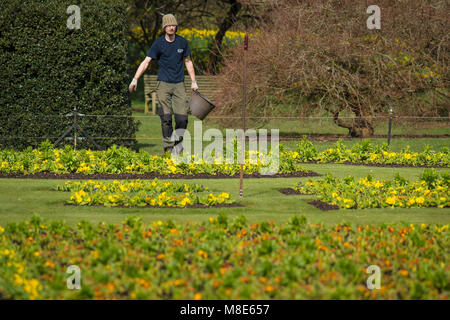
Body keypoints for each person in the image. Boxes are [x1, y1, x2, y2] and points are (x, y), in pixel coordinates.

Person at [129, 14, 198, 154]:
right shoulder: (158, 44)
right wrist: (135, 78)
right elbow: (146, 62)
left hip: (179, 85)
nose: (171, 27)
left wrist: (193, 82)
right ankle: (168, 147)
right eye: (168, 25)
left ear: (176, 27)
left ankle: (178, 146)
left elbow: (188, 62)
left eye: (173, 25)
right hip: (163, 85)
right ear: (164, 27)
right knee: (166, 118)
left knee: (182, 119)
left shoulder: (182, 43)